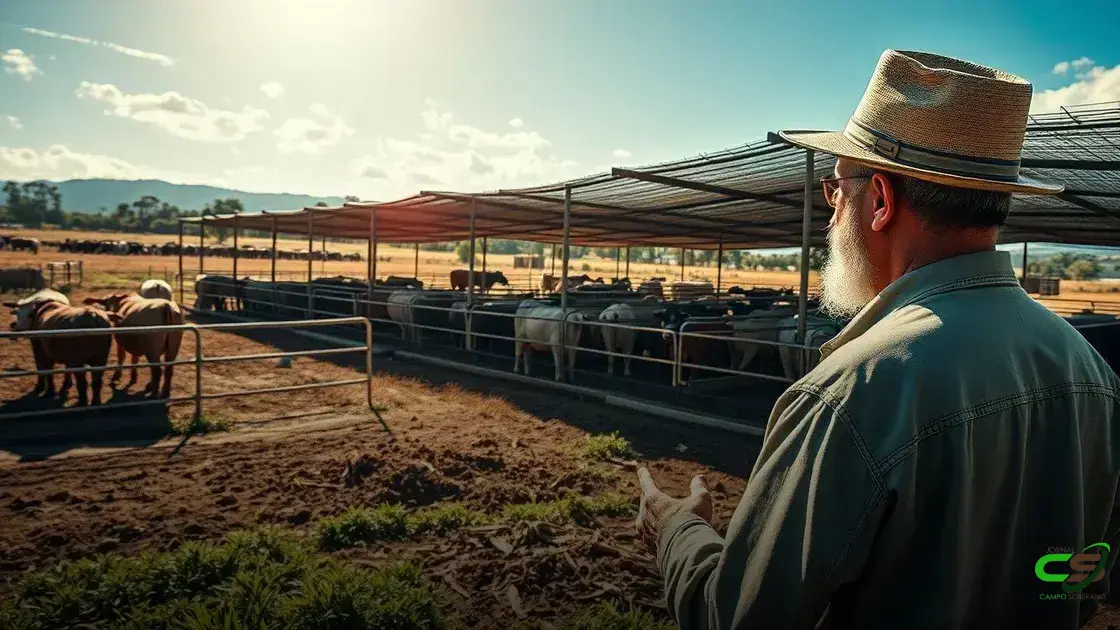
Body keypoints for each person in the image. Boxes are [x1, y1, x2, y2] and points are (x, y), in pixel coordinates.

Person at [635, 49, 1120, 629]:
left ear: (881, 201)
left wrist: (677, 530)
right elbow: (1083, 581)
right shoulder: (1093, 373)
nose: (832, 207)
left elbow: (734, 619)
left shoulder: (853, 392)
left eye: (836, 189)